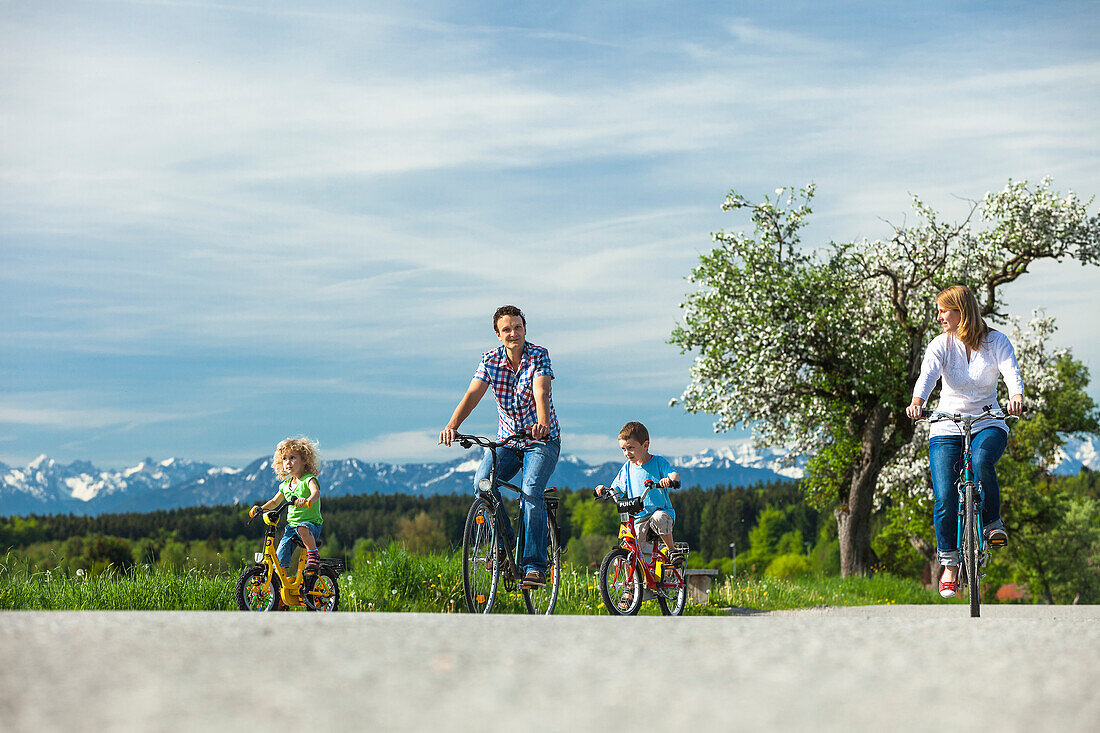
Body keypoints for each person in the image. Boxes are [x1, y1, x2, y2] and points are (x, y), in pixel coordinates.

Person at [906, 285, 1024, 599]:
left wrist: (1016, 397)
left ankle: (992, 524)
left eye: (945, 310)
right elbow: (928, 375)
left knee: (982, 462)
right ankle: (949, 565)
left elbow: (1010, 371)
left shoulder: (996, 341)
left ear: (962, 311)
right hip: (946, 424)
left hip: (988, 420)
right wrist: (918, 401)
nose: (940, 316)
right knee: (945, 493)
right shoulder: (940, 345)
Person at [439, 305, 561, 589]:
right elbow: (473, 393)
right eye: (506, 329)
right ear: (498, 334)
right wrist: (452, 425)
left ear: (525, 329)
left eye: (517, 327)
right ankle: (504, 546)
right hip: (507, 440)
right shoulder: (490, 360)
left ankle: (534, 566)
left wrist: (542, 423)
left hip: (541, 440)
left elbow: (541, 391)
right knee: (483, 484)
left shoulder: (538, 355)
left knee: (531, 492)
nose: (513, 333)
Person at [594, 420, 684, 570]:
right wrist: (606, 489)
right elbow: (618, 488)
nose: (626, 453)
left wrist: (670, 480)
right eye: (623, 449)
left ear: (645, 446)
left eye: (630, 448)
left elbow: (674, 474)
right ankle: (632, 587)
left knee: (659, 517)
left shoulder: (658, 462)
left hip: (660, 512)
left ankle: (672, 550)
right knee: (630, 551)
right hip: (639, 517)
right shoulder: (628, 468)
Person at [250, 437, 323, 575]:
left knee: (302, 528)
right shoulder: (285, 485)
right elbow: (274, 502)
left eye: (292, 458)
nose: (288, 462)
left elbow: (316, 493)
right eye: (284, 458)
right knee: (279, 558)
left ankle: (313, 556)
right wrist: (261, 508)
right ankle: (281, 587)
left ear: (304, 460)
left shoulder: (308, 479)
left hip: (311, 525)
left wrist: (307, 500)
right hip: (291, 527)